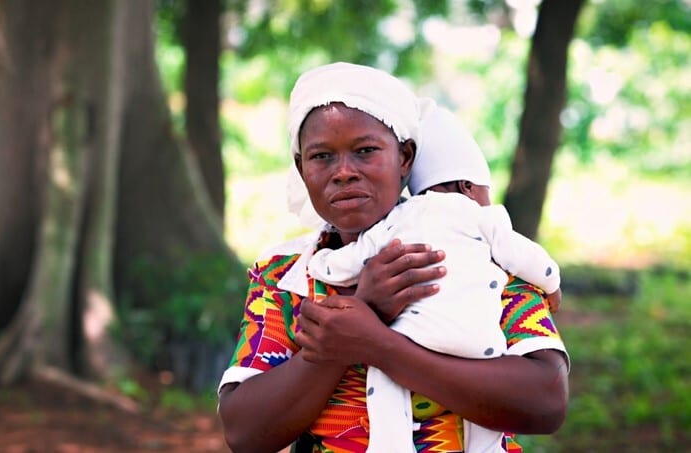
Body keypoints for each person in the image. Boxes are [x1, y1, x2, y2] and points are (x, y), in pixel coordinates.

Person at [217, 62, 569, 453]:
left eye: (365, 151)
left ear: (404, 157)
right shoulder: (287, 276)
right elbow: (244, 432)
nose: (344, 172)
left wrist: (378, 344)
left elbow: (545, 402)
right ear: (301, 168)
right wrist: (357, 315)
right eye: (321, 157)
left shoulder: (477, 254)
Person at [305, 101, 562, 452]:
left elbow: (351, 259)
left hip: (414, 334)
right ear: (468, 186)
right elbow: (527, 255)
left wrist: (321, 264)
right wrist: (552, 284)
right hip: (479, 350)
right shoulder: (485, 222)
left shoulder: (397, 223)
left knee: (387, 403)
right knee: (485, 434)